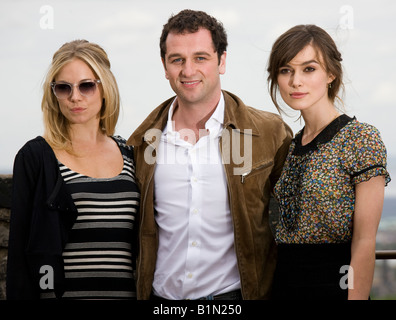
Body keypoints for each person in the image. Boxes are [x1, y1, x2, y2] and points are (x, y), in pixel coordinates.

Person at [127, 9, 292, 300]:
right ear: (165, 66)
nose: (188, 70)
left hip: (234, 299)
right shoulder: (142, 142)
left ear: (222, 60)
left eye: (200, 58)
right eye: (177, 59)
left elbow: (296, 218)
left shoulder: (270, 133)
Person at [7, 40, 140, 299]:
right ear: (53, 93)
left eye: (86, 86)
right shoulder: (36, 157)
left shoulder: (130, 154)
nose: (75, 97)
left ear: (105, 88)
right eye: (63, 88)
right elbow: (19, 258)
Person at [267, 24, 391, 300]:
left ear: (331, 74)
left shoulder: (360, 138)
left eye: (308, 69)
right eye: (286, 70)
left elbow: (364, 242)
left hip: (334, 287)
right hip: (283, 287)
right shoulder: (289, 146)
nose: (295, 81)